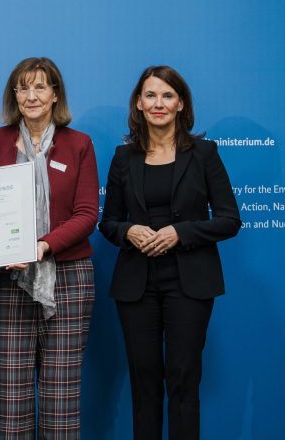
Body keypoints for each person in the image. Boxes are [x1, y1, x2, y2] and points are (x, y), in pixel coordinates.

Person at [99, 65, 241, 439]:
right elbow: (108, 222)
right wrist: (128, 231)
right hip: (137, 285)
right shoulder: (123, 157)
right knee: (144, 384)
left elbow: (229, 220)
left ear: (180, 104)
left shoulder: (204, 154)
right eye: (150, 95)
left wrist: (182, 232)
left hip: (189, 282)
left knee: (183, 382)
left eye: (167, 95)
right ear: (139, 103)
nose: (158, 103)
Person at [0, 57, 99, 438]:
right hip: (5, 278)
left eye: (40, 87)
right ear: (14, 95)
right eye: (23, 88)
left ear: (55, 94)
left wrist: (43, 245)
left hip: (67, 278)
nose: (31, 96)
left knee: (61, 399)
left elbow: (86, 214)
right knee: (10, 400)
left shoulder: (78, 144)